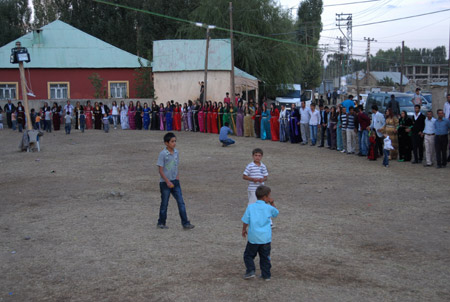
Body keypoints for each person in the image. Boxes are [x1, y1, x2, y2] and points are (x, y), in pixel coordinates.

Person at [157, 132, 195, 230]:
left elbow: (176, 166)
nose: (174, 143)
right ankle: (161, 222)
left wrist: (177, 177)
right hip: (165, 183)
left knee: (181, 202)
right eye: (172, 141)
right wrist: (167, 181)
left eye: (175, 141)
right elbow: (160, 170)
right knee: (164, 203)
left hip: (175, 181)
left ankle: (185, 223)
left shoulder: (176, 152)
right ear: (166, 143)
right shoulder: (163, 154)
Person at [241, 185, 279, 281]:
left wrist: (244, 229)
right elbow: (276, 213)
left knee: (248, 255)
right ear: (265, 197)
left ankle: (250, 271)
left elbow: (246, 220)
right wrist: (272, 203)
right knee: (265, 257)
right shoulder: (268, 208)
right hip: (265, 238)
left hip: (254, 237)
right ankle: (266, 275)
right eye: (269, 196)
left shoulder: (251, 207)